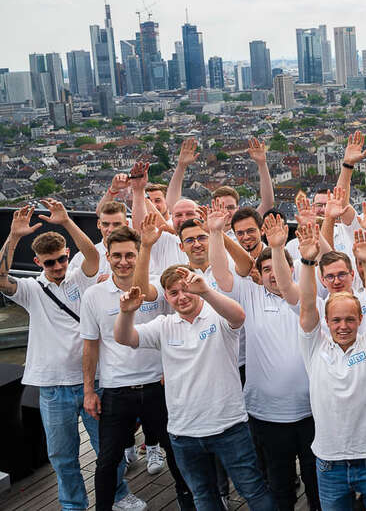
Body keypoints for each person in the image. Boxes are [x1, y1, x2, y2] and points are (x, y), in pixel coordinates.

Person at [0, 202, 144, 511]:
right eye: (50, 262)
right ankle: (73, 505)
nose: (58, 266)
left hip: (93, 380)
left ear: (68, 254)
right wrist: (13, 237)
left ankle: (118, 494)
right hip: (53, 386)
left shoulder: (80, 278)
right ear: (38, 262)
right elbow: (0, 279)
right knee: (62, 456)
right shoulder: (30, 290)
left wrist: (67, 221)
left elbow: (92, 256)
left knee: (108, 449)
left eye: (62, 259)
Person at [114, 264, 277, 511]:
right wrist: (126, 313)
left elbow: (239, 316)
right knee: (203, 497)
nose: (181, 297)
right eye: (173, 293)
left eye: (186, 289)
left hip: (229, 427)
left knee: (253, 490)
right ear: (166, 296)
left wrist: (206, 291)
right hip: (184, 433)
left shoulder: (217, 315)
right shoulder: (163, 325)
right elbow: (124, 338)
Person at [212, 212, 321, 511]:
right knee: (279, 485)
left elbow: (292, 285)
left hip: (311, 411)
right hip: (267, 415)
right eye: (267, 269)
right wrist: (216, 232)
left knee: (316, 484)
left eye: (280, 267)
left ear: (291, 269)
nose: (273, 274)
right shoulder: (250, 295)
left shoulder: (307, 297)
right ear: (258, 275)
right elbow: (221, 274)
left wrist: (275, 247)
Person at [80, 226, 193, 510]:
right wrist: (89, 391)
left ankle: (188, 504)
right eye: (117, 255)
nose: (123, 261)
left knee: (176, 453)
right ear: (107, 257)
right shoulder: (93, 295)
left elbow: (176, 327)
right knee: (107, 460)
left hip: (159, 386)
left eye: (130, 255)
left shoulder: (155, 289)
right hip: (117, 389)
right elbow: (90, 346)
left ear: (139, 255)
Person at [297, 228, 366, 511]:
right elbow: (307, 307)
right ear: (326, 322)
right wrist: (307, 263)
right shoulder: (315, 348)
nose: (343, 326)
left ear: (360, 319)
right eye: (336, 320)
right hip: (330, 462)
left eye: (350, 319)